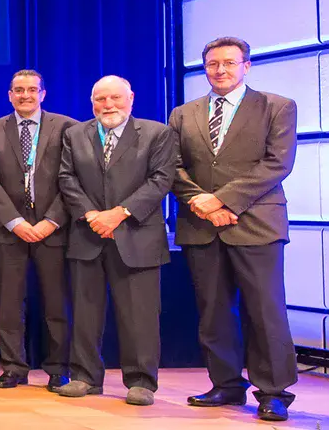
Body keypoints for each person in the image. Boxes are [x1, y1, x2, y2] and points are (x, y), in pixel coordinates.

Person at [171, 37, 299, 422]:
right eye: (212, 64)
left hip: (256, 222)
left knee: (265, 309)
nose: (220, 70)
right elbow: (172, 167)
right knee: (213, 312)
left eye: (228, 63)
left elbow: (278, 163)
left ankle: (274, 391)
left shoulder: (277, 106)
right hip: (201, 224)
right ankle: (226, 384)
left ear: (246, 65)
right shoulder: (183, 113)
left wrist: (223, 201)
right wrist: (202, 203)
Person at [56, 76, 178, 406]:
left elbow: (161, 180)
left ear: (131, 98)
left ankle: (141, 381)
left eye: (115, 98)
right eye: (100, 99)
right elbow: (66, 178)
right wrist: (92, 215)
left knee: (139, 315)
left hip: (137, 236)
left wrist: (119, 214)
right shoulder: (75, 134)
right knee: (85, 312)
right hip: (88, 234)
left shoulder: (157, 133)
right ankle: (84, 376)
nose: (108, 105)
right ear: (92, 102)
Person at [0, 69, 74, 390]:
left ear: (43, 93)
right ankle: (13, 367)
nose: (25, 96)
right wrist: (16, 222)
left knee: (56, 302)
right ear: (9, 95)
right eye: (18, 90)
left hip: (53, 228)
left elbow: (71, 180)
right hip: (9, 231)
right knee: (8, 303)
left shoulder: (66, 127)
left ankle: (59, 368)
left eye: (32, 90)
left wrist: (51, 220)